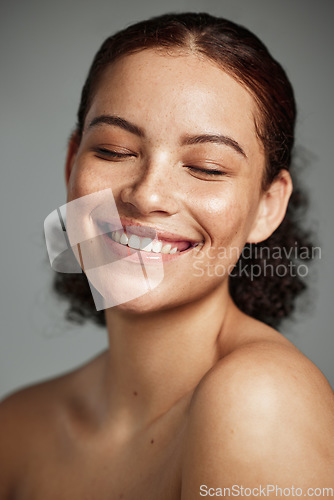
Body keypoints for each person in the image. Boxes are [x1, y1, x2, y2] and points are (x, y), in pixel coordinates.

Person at [0, 12, 333, 499]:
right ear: (72, 165)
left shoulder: (260, 401)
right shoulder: (17, 425)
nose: (146, 194)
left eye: (206, 167)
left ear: (268, 206)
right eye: (113, 151)